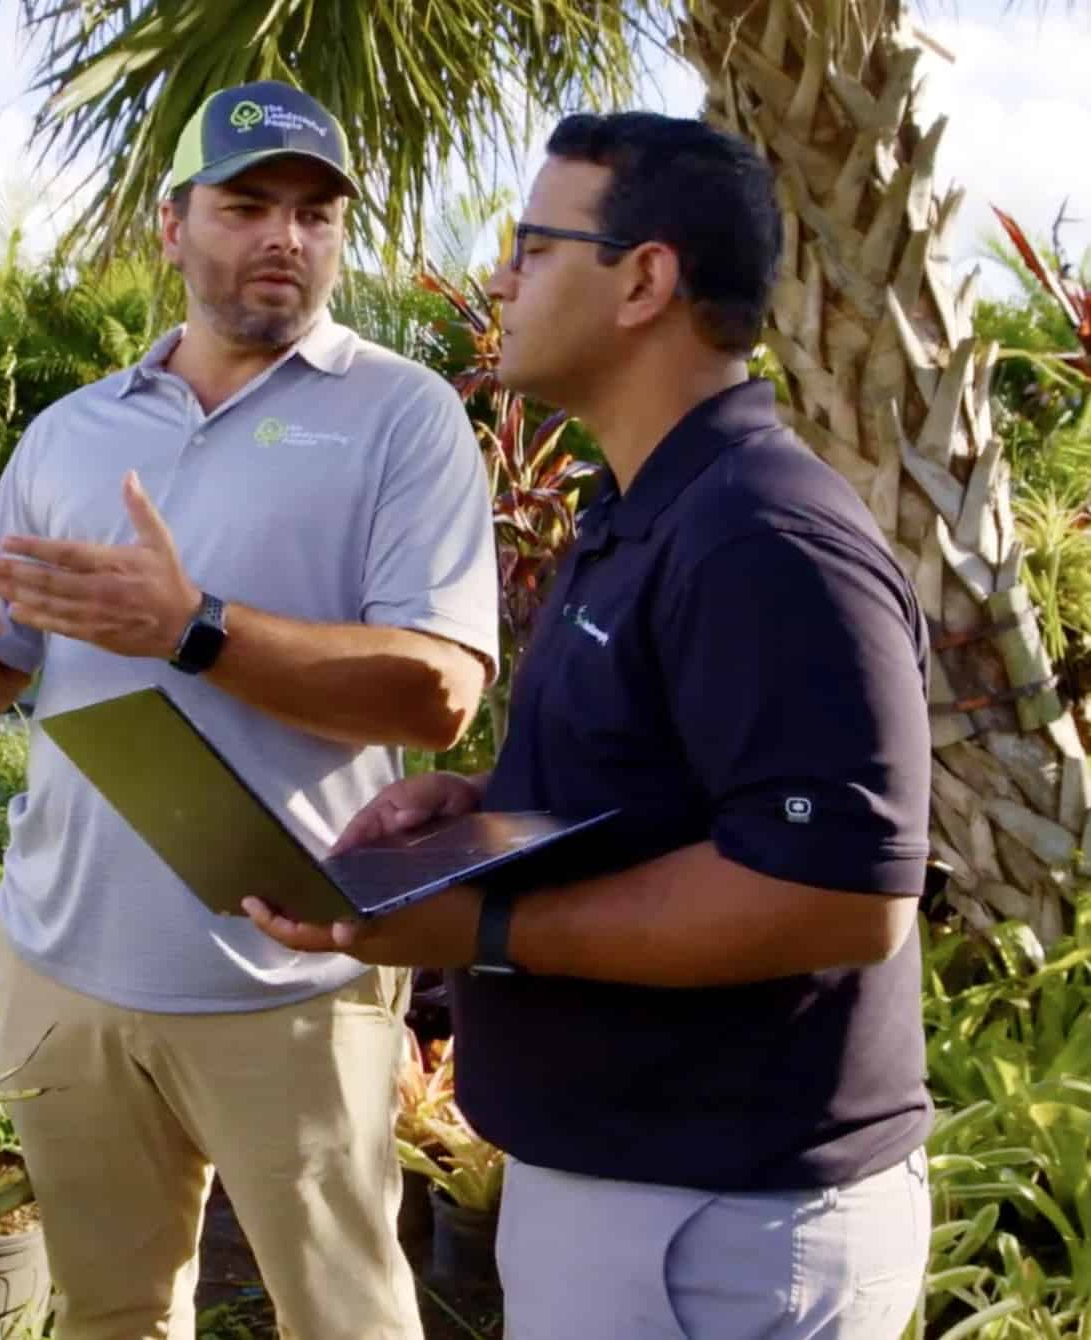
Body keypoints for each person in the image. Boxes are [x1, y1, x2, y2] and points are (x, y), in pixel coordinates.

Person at [247, 111, 933, 1338]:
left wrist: (489, 924)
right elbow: (664, 793)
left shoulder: (760, 535)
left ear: (644, 278)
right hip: (635, 1196)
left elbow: (837, 892)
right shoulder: (637, 511)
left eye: (531, 247)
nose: (498, 278)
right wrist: (477, 814)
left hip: (721, 1224)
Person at [0, 79, 499, 1340]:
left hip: (294, 972)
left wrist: (193, 628)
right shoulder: (69, 434)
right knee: (109, 1314)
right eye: (248, 204)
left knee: (347, 1319)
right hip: (64, 971)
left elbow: (439, 692)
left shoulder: (402, 417)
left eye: (315, 212)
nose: (287, 235)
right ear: (172, 226)